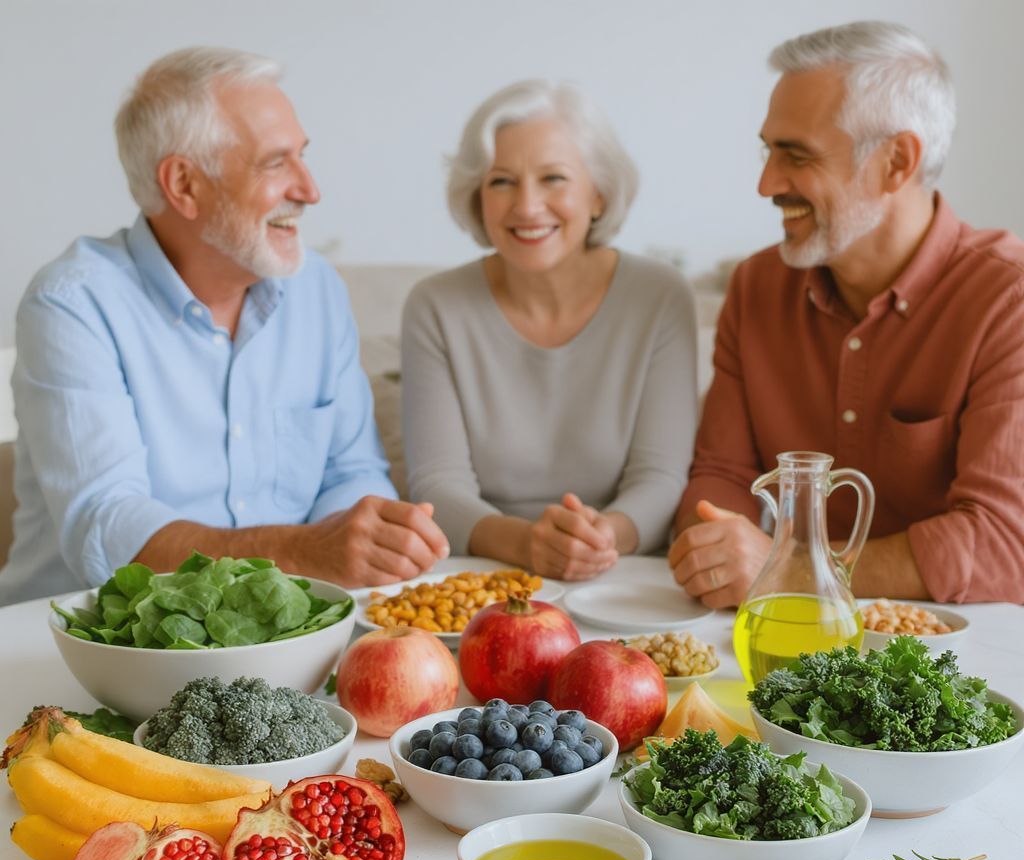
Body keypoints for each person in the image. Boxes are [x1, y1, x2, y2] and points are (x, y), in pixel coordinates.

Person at [0, 47, 448, 606]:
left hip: (284, 639)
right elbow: (109, 532)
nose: (311, 190)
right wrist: (307, 552)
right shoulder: (72, 304)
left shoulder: (317, 290)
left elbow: (351, 470)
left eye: (302, 157)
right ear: (183, 184)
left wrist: (374, 541)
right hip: (80, 650)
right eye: (275, 163)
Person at [670, 20, 1024, 607]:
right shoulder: (757, 286)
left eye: (796, 154)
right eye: (768, 149)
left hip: (953, 659)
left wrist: (791, 568)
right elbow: (719, 478)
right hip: (780, 640)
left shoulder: (1007, 300)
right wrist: (719, 550)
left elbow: (1002, 545)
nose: (765, 183)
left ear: (896, 162)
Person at [401, 80, 697, 581]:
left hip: (622, 575)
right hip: (480, 575)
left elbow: (661, 478)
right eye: (501, 182)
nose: (528, 206)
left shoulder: (660, 296)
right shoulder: (435, 306)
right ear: (477, 198)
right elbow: (437, 484)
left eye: (553, 178)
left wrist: (604, 538)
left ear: (598, 194)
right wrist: (528, 544)